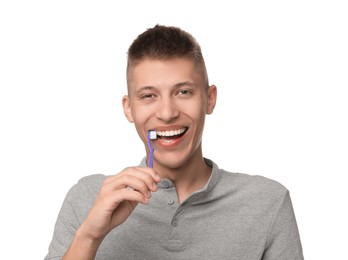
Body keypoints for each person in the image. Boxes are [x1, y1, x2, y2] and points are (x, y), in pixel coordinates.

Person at [45, 24, 304, 260]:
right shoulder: (87, 198)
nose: (167, 113)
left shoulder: (268, 202)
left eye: (184, 92)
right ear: (129, 109)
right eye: (148, 95)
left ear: (210, 98)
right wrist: (89, 237)